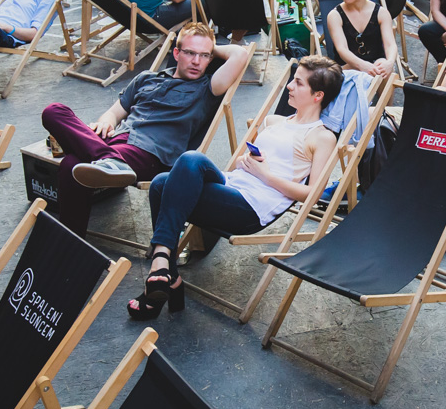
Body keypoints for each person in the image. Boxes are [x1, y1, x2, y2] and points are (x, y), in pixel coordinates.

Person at [133, 57, 342, 319]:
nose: (289, 86)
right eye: (292, 80)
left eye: (298, 83)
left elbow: (313, 195)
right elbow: (250, 162)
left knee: (181, 167)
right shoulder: (274, 121)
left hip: (251, 207)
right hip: (233, 184)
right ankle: (169, 275)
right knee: (161, 183)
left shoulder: (322, 136)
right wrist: (246, 161)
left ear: (317, 95)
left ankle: (162, 262)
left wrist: (265, 174)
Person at [38, 26, 251, 235]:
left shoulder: (207, 89)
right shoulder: (146, 78)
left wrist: (211, 47)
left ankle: (68, 243)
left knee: (70, 163)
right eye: (190, 53)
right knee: (53, 111)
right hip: (113, 142)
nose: (197, 61)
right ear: (176, 53)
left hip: (150, 153)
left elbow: (240, 54)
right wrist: (106, 123)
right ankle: (108, 160)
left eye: (204, 56)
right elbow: (113, 113)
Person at [325, 0, 396, 77]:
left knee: (382, 65)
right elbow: (342, 49)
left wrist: (390, 62)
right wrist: (362, 65)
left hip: (376, 65)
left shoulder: (381, 13)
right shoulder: (335, 15)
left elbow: (390, 44)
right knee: (356, 68)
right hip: (347, 67)